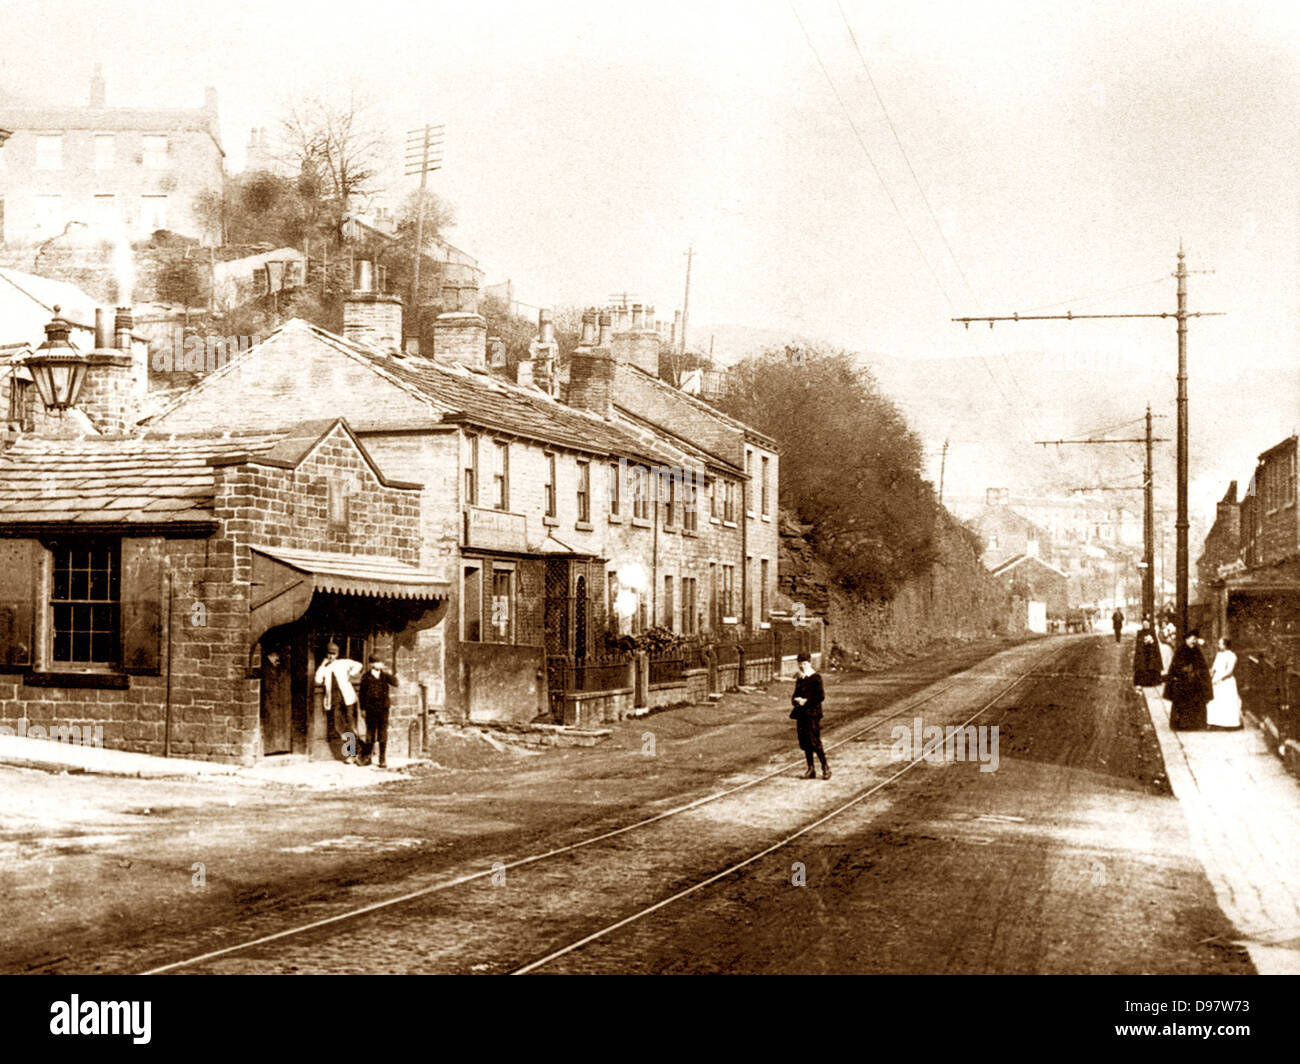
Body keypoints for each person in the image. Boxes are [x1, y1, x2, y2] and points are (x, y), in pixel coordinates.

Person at [314, 642, 364, 763]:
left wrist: (351, 675)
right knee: (339, 726)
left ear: (337, 654)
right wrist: (322, 665)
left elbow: (359, 665)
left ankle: (353, 753)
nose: (331, 656)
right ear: (326, 654)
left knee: (350, 724)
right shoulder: (325, 667)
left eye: (334, 654)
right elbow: (318, 679)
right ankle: (357, 749)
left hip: (348, 699)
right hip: (335, 700)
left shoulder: (343, 663)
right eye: (329, 654)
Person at [1163, 629, 1213, 731]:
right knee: (1182, 703)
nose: (1193, 641)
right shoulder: (1180, 650)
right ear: (1186, 639)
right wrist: (1185, 671)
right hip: (1183, 683)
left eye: (1195, 639)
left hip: (1194, 683)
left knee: (1196, 702)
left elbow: (1202, 666)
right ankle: (1181, 725)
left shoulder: (1196, 650)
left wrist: (1199, 673)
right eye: (1192, 639)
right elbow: (1175, 666)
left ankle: (1194, 724)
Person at [790, 651, 830, 779]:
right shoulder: (800, 679)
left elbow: (820, 696)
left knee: (814, 741)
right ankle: (810, 769)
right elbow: (794, 696)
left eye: (805, 663)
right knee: (805, 742)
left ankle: (825, 767)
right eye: (800, 664)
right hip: (801, 714)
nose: (802, 666)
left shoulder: (815, 678)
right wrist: (796, 700)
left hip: (812, 714)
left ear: (809, 663)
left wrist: (806, 701)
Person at [358, 659, 399, 768]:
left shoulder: (384, 676)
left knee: (382, 732)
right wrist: (362, 709)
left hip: (383, 708)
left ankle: (382, 759)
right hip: (370, 708)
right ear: (371, 664)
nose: (379, 664)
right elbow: (361, 694)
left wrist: (386, 671)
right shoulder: (366, 677)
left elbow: (396, 683)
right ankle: (367, 758)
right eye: (377, 662)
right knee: (370, 733)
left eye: (380, 662)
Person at [1207, 638, 1242, 729]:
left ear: (1226, 645)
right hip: (1216, 679)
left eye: (1221, 644)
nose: (1219, 646)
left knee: (1226, 701)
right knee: (1214, 700)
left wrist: (1220, 678)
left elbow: (1229, 670)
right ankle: (1214, 722)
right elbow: (1214, 667)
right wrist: (1211, 675)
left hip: (1226, 681)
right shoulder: (1219, 655)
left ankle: (1228, 723)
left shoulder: (1232, 656)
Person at [1133, 617, 1163, 688]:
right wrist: (1144, 642)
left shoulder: (1152, 632)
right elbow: (1138, 644)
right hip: (1143, 652)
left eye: (1147, 624)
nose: (1145, 625)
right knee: (1142, 663)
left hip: (1151, 652)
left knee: (1152, 663)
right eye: (1144, 624)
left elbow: (1156, 644)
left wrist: (1151, 642)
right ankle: (1142, 682)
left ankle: (1152, 682)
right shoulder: (1140, 632)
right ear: (1142, 625)